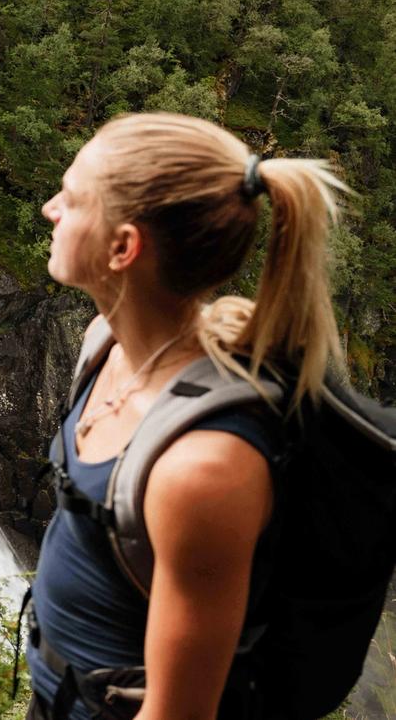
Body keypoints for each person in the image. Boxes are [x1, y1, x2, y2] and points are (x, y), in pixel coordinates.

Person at [25, 112, 349, 720]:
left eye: (70, 199)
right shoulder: (104, 345)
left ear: (123, 247)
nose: (49, 209)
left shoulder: (203, 467)